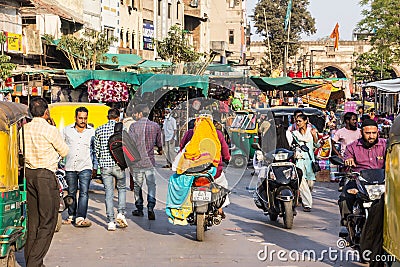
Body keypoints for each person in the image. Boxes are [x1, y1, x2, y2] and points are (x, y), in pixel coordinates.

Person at [22, 97, 69, 267]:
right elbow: (64, 151)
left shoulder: (23, 129)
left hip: (29, 175)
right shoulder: (50, 130)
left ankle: (33, 260)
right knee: (47, 221)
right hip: (45, 176)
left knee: (33, 222)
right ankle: (34, 263)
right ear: (46, 112)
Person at [180, 112, 231, 217]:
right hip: (214, 171)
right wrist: (227, 158)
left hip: (192, 170)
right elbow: (225, 150)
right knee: (222, 185)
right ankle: (219, 208)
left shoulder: (190, 133)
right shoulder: (217, 134)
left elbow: (182, 149)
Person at [338, 119, 386, 225]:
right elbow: (347, 157)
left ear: (378, 132)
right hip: (359, 182)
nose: (371, 136)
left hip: (382, 183)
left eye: (374, 133)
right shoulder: (352, 147)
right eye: (368, 133)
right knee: (345, 198)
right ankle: (348, 224)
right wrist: (348, 161)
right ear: (361, 133)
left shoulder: (385, 145)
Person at [62, 107, 96, 227]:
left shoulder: (92, 131)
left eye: (85, 118)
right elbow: (61, 146)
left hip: (85, 166)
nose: (83, 121)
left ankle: (81, 217)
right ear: (75, 117)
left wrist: (95, 167)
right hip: (70, 166)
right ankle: (71, 215)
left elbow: (95, 150)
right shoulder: (67, 130)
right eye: (80, 118)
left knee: (84, 192)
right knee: (71, 192)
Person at [94, 108, 128, 231]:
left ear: (107, 117)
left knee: (108, 193)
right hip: (119, 165)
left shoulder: (99, 130)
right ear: (118, 117)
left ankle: (110, 221)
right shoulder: (122, 129)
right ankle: (121, 213)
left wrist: (100, 162)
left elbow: (96, 150)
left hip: (105, 166)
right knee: (122, 189)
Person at [129, 104, 163, 220]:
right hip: (150, 162)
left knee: (138, 186)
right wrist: (159, 149)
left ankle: (139, 208)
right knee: (151, 186)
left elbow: (130, 144)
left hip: (137, 162)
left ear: (140, 113)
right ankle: (150, 207)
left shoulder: (133, 126)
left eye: (136, 114)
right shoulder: (155, 126)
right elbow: (159, 143)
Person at [287, 114, 319, 212]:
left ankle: (305, 197)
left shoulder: (311, 132)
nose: (298, 123)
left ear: (305, 121)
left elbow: (316, 145)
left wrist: (314, 136)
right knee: (302, 183)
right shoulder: (294, 134)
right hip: (299, 161)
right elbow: (291, 146)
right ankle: (307, 204)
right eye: (297, 121)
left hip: (310, 161)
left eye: (300, 121)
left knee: (310, 183)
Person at [123, 105, 139, 191]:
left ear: (125, 114)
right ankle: (133, 185)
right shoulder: (135, 123)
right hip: (133, 148)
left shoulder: (122, 123)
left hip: (123, 147)